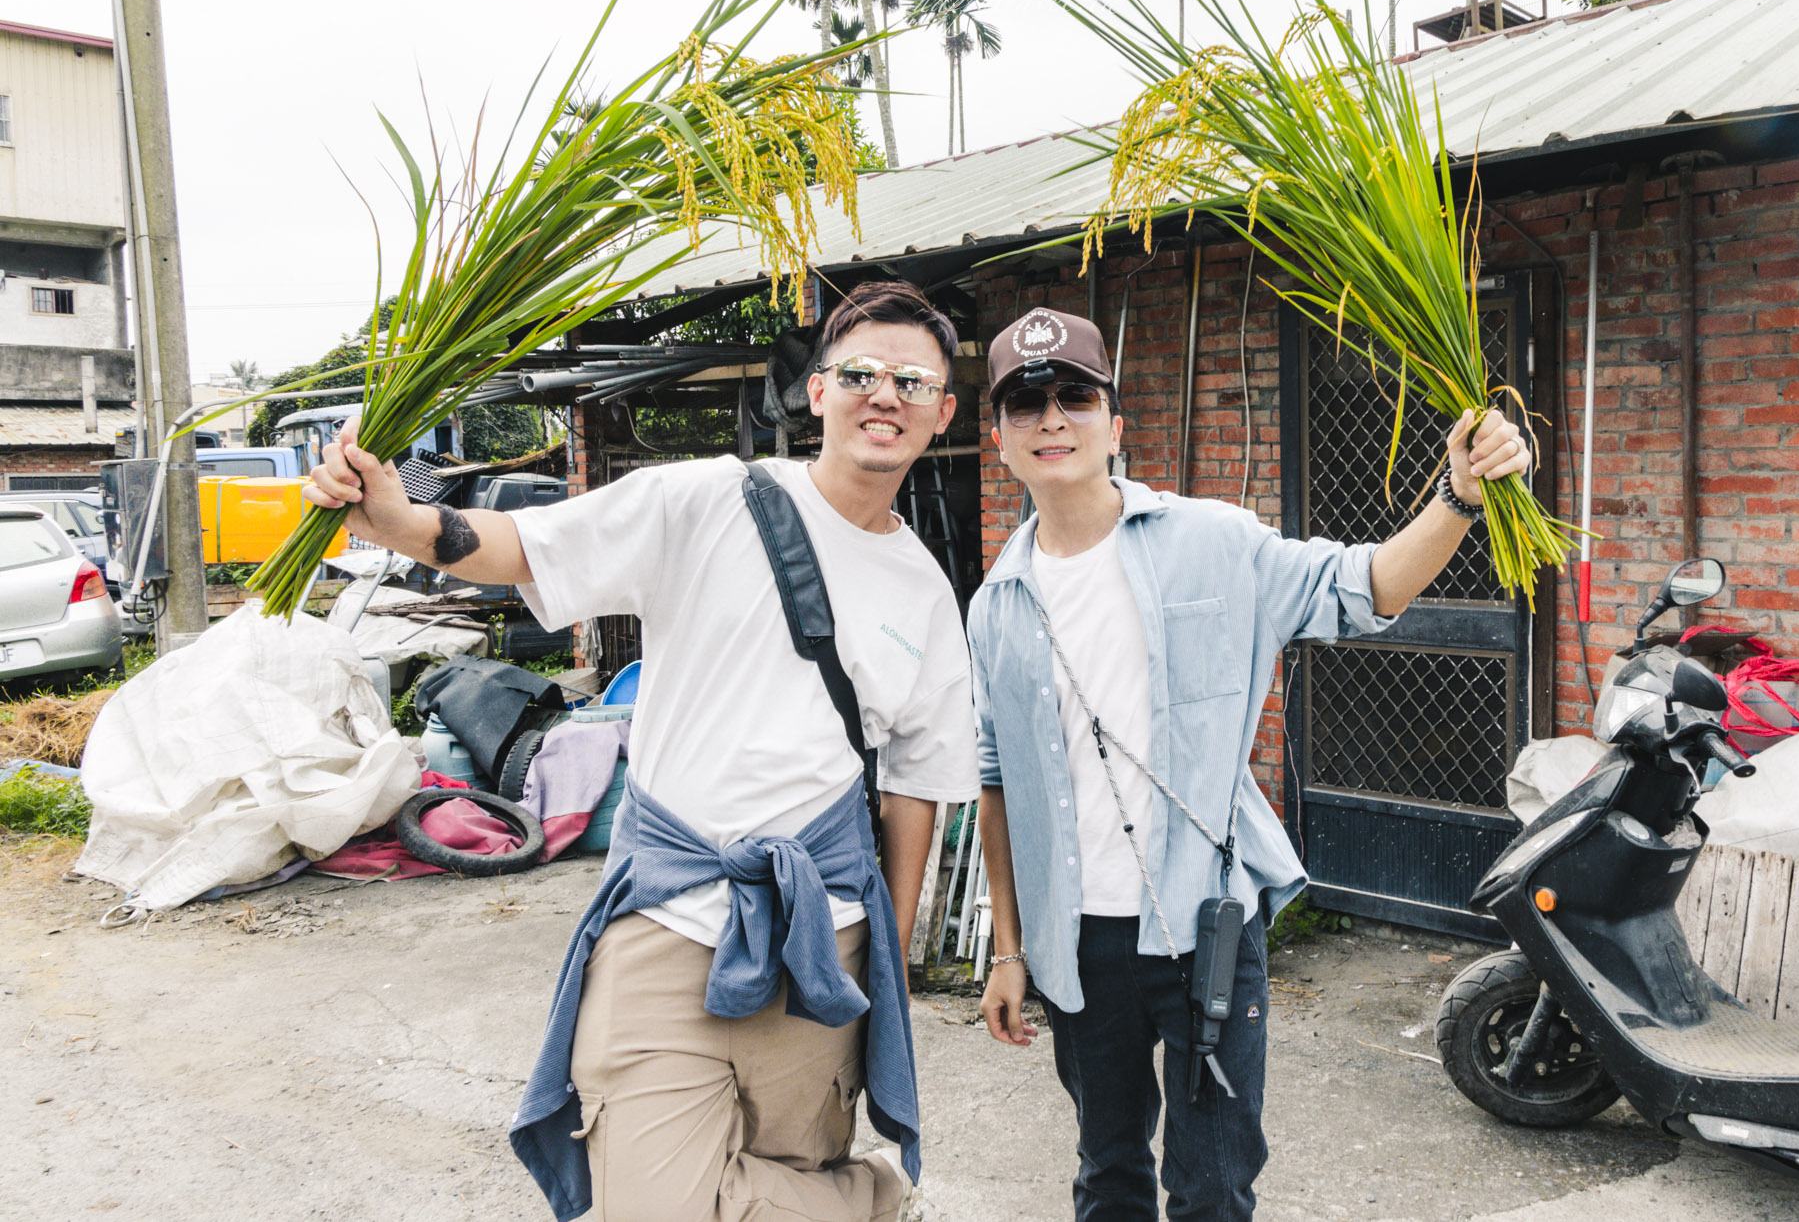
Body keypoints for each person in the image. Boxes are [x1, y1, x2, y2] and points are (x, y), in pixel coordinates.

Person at [303, 280, 977, 1222]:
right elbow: (521, 545)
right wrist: (404, 519)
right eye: (860, 372)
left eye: (912, 380)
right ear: (816, 391)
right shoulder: (708, 499)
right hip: (664, 922)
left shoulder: (926, 594)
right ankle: (870, 1201)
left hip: (822, 946)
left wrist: (887, 965)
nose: (885, 394)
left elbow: (917, 789)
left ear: (943, 410)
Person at [968, 306, 1533, 1220]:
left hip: (1208, 926)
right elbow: (995, 783)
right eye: (1026, 403)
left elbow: (1363, 586)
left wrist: (1458, 497)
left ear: (1115, 424)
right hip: (1076, 943)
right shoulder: (994, 604)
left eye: (1074, 394)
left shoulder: (1214, 543)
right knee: (1106, 1171)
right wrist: (1007, 949)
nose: (1051, 417)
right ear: (999, 439)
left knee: (1214, 1184)